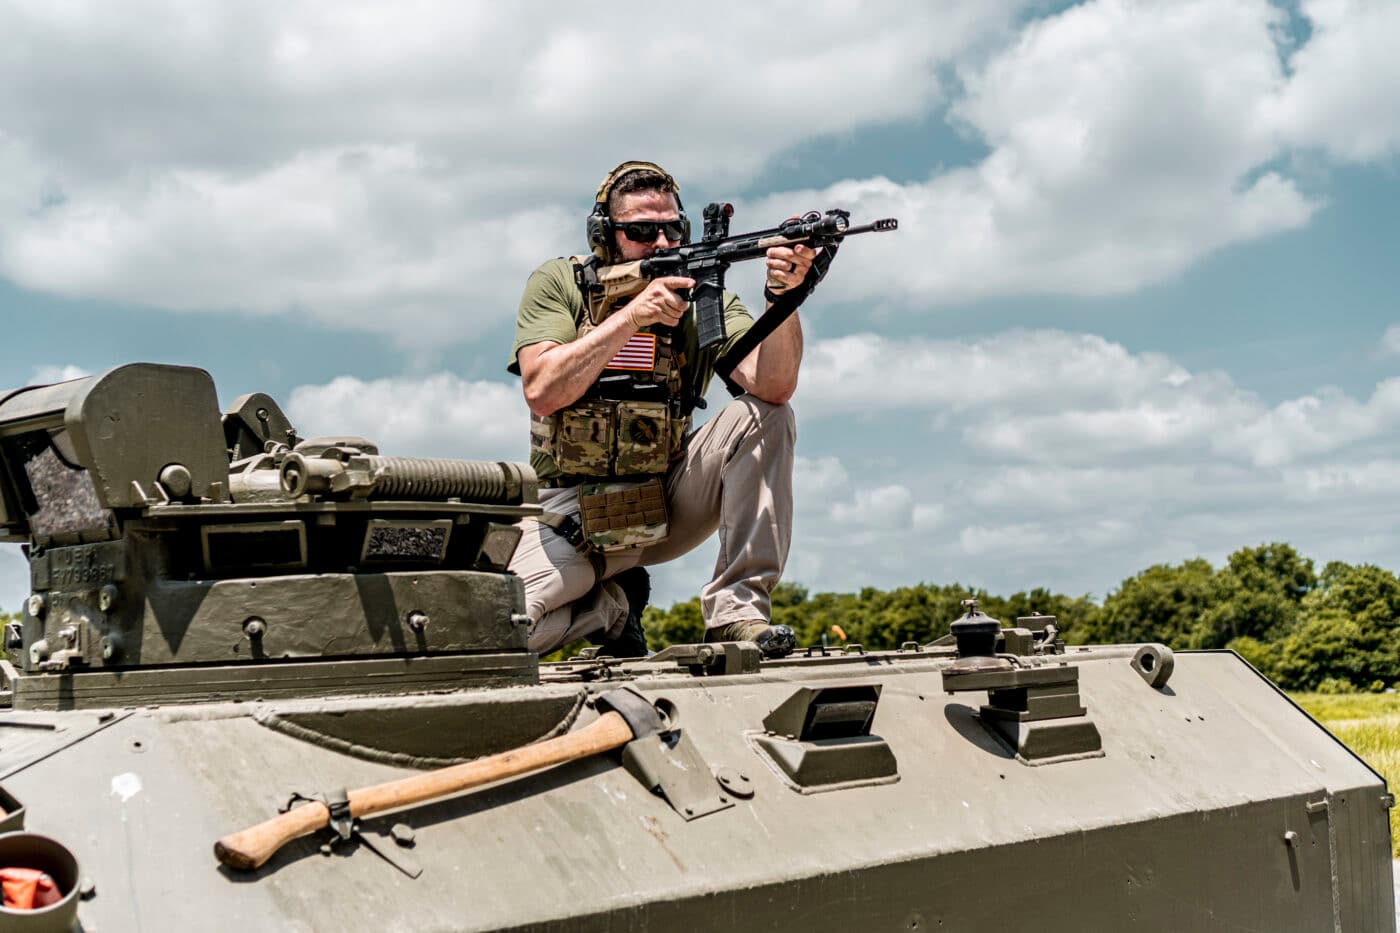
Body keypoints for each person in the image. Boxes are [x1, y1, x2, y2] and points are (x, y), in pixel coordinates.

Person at [506, 160, 821, 659]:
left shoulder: (702, 296)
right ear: (605, 236)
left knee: (766, 415)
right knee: (499, 631)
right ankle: (609, 610)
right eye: (640, 232)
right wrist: (633, 316)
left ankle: (737, 612)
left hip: (667, 498)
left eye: (672, 229)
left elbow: (774, 385)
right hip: (573, 515)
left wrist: (784, 298)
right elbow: (543, 388)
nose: (660, 243)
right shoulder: (560, 283)